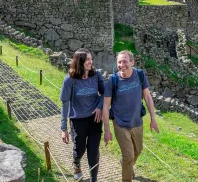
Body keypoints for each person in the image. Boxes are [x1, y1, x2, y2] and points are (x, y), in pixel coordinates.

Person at [103, 51, 159, 182]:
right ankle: (127, 173)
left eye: (125, 61)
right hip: (120, 123)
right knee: (128, 155)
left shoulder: (139, 75)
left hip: (137, 122)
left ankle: (126, 164)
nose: (122, 64)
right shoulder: (113, 80)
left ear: (132, 62)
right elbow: (106, 105)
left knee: (138, 151)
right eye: (119, 62)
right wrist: (107, 130)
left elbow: (147, 96)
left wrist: (153, 119)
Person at [60, 49, 105, 182]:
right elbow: (65, 103)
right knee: (80, 149)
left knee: (93, 150)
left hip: (95, 119)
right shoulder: (70, 80)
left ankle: (93, 179)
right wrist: (63, 129)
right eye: (87, 60)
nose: (90, 62)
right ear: (79, 62)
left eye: (91, 59)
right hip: (77, 119)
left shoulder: (96, 75)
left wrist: (99, 107)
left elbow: (104, 94)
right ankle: (77, 164)